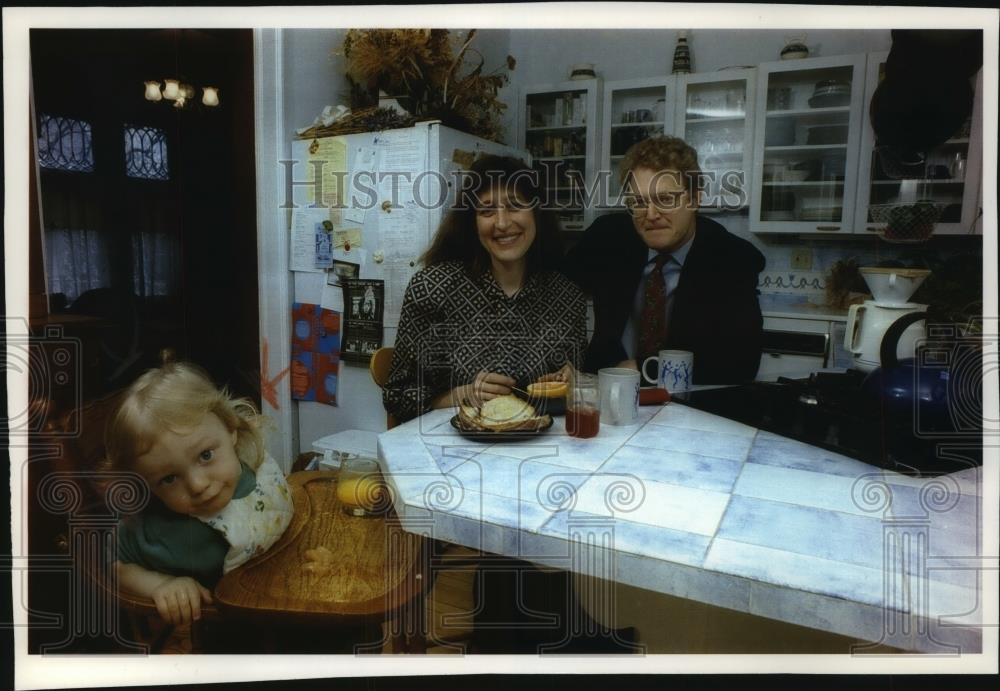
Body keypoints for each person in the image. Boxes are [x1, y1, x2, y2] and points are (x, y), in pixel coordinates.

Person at [383, 154, 587, 424]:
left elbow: (573, 393)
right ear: (473, 223)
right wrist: (461, 395)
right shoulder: (432, 289)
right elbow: (397, 397)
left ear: (537, 214)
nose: (502, 223)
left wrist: (572, 381)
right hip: (453, 452)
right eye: (487, 211)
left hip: (537, 450)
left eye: (515, 206)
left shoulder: (567, 296)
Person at [100, 361, 294, 627]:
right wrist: (162, 584)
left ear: (230, 428)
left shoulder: (254, 468)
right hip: (225, 629)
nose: (198, 485)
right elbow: (113, 563)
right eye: (169, 479)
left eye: (205, 455)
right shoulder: (157, 531)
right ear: (148, 486)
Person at [565, 135, 765, 384]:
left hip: (690, 404)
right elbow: (549, 283)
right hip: (605, 391)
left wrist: (645, 368)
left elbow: (741, 362)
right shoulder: (608, 238)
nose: (650, 215)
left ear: (694, 199)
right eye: (638, 202)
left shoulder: (732, 259)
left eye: (665, 199)